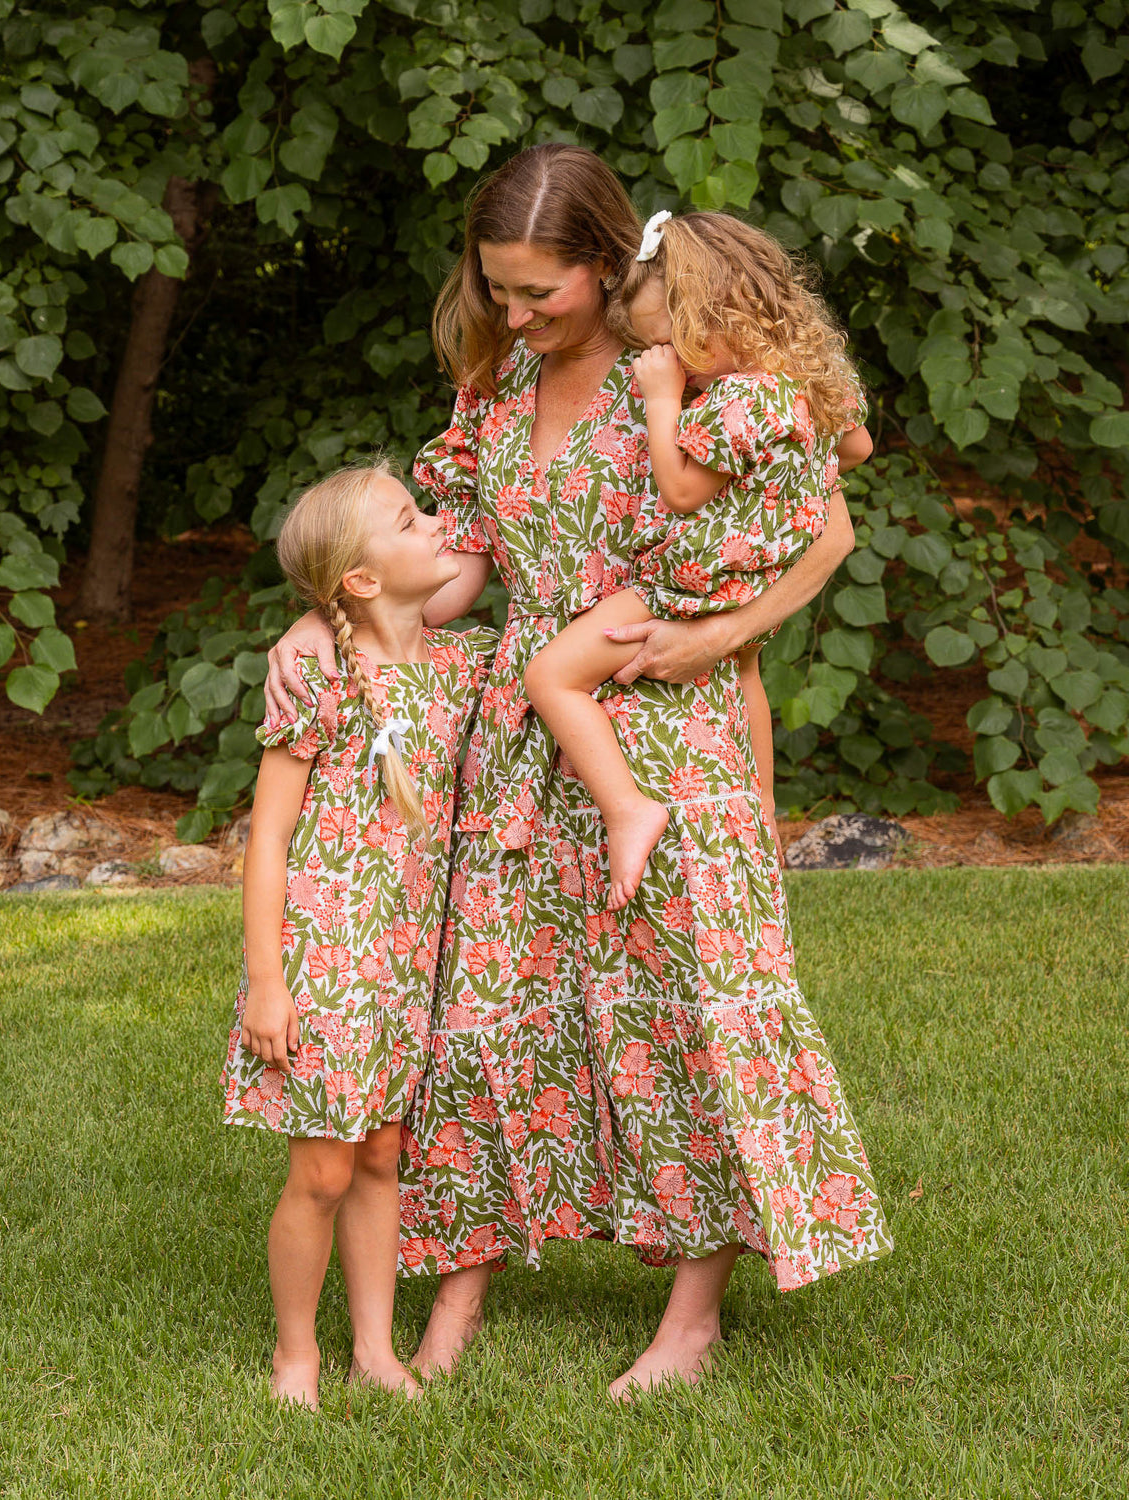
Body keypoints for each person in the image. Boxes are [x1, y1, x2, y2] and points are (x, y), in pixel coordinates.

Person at [265, 145, 890, 1401]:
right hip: (519, 738)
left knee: (683, 1010)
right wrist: (312, 618)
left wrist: (712, 635)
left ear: (611, 268)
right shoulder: (495, 401)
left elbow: (830, 522)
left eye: (540, 292)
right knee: (487, 1012)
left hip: (669, 718)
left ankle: (692, 1313)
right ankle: (460, 1284)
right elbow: (441, 567)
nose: (514, 315)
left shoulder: (699, 379)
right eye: (498, 290)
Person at [222, 459, 493, 1409]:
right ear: (362, 582)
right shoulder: (320, 674)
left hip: (411, 958)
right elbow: (269, 838)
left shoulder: (461, 665)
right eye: (410, 521)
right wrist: (267, 978)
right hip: (326, 958)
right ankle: (297, 1350)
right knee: (325, 1168)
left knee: (383, 1152)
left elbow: (484, 548)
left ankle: (375, 1348)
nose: (436, 528)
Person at [524, 210, 874, 909]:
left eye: (676, 341)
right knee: (746, 673)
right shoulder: (809, 381)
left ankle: (626, 807)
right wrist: (783, 478)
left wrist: (663, 403)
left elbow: (682, 491)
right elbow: (856, 450)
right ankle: (762, 812)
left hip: (689, 581)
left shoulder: (735, 400)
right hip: (755, 583)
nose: (672, 359)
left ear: (722, 310)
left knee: (552, 676)